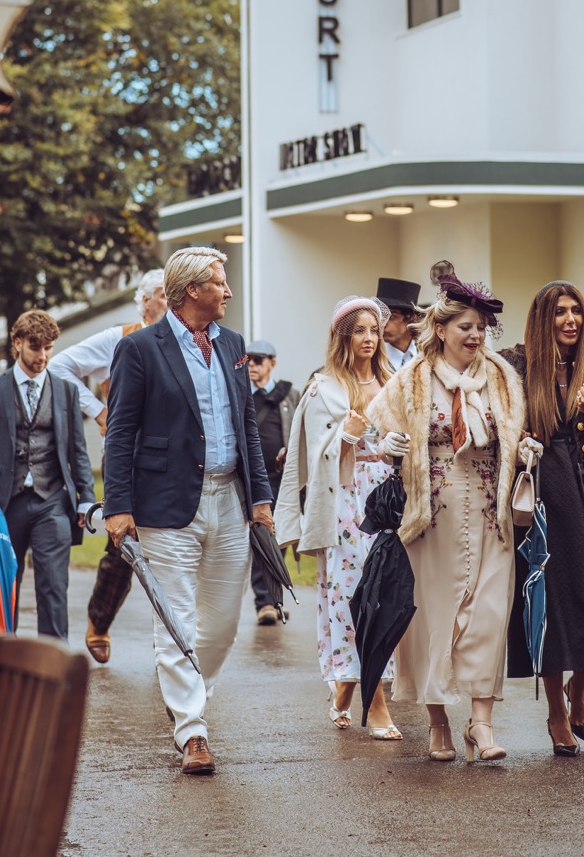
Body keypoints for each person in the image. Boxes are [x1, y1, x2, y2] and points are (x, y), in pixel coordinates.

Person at [102, 247, 273, 777]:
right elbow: (121, 431)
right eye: (220, 283)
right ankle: (192, 730)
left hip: (229, 499)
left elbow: (247, 426)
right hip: (164, 502)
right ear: (193, 290)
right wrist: (117, 506)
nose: (227, 292)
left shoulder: (234, 346)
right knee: (174, 616)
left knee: (222, 623)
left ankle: (189, 693)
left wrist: (261, 497)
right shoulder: (140, 349)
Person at [367, 262, 529, 762]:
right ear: (440, 329)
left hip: (488, 510)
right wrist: (390, 444)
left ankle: (481, 725)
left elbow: (515, 432)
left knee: (488, 614)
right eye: (466, 327)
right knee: (434, 617)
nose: (476, 336)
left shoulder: (502, 376)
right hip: (430, 514)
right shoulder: (412, 378)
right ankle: (437, 720)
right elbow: (377, 433)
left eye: (481, 328)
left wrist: (523, 451)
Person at [502, 281, 584, 756]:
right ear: (543, 319)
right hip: (543, 497)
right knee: (550, 605)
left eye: (577, 311)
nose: (571, 320)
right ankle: (556, 711)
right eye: (560, 312)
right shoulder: (513, 364)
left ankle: (579, 689)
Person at [275, 294, 402, 740]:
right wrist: (345, 438)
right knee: (355, 596)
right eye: (359, 331)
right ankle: (377, 702)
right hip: (346, 504)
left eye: (373, 329)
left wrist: (396, 446)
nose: (369, 338)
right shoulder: (323, 388)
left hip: (390, 500)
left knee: (389, 594)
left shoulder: (395, 381)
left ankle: (346, 686)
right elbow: (309, 460)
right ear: (342, 337)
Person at [48, 268, 167, 663]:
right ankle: (99, 621)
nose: (170, 301)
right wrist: (99, 411)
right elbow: (59, 366)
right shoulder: (118, 338)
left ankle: (169, 642)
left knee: (174, 546)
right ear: (146, 300)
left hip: (174, 458)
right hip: (126, 455)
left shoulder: (187, 341)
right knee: (123, 546)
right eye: (164, 295)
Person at [0, 310, 96, 641]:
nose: (43, 356)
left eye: (49, 348)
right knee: (5, 587)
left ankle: (52, 663)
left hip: (53, 502)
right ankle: (5, 661)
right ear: (17, 344)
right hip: (4, 504)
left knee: (53, 584)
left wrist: (86, 500)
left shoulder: (66, 391)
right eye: (36, 347)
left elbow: (78, 451)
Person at [246, 339, 300, 625]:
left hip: (282, 479)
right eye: (248, 360)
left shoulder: (290, 395)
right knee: (260, 539)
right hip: (252, 481)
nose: (252, 365)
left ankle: (274, 600)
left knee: (278, 540)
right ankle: (264, 603)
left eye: (258, 360)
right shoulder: (240, 394)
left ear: (272, 363)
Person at [377, 277, 422, 372]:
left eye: (392, 317)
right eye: (380, 315)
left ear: (410, 318)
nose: (382, 324)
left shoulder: (426, 353)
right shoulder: (373, 357)